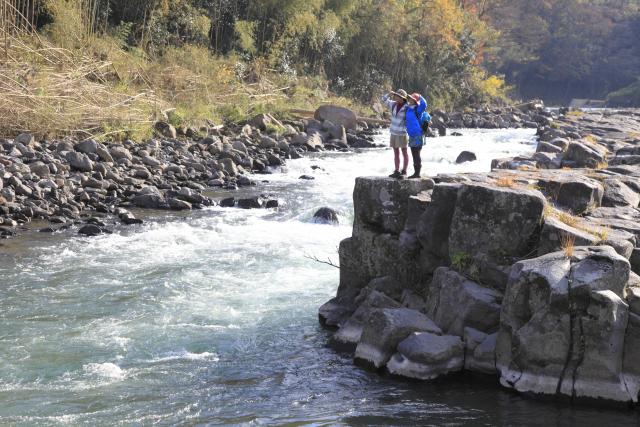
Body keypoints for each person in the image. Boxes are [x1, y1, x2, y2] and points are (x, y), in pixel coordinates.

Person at [381, 89, 409, 178]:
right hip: (393, 132)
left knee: (404, 152)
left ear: (403, 98)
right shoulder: (393, 104)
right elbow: (383, 99)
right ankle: (396, 170)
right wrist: (389, 93)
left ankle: (404, 171)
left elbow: (416, 110)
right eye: (396, 95)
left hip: (402, 133)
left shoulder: (407, 107)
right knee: (396, 152)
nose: (396, 97)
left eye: (398, 96)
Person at [404, 93, 430, 178]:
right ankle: (416, 173)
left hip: (418, 134)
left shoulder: (418, 109)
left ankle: (417, 173)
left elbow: (424, 104)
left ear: (414, 101)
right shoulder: (408, 109)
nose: (409, 99)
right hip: (411, 135)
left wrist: (419, 96)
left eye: (411, 98)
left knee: (416, 154)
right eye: (410, 98)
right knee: (413, 154)